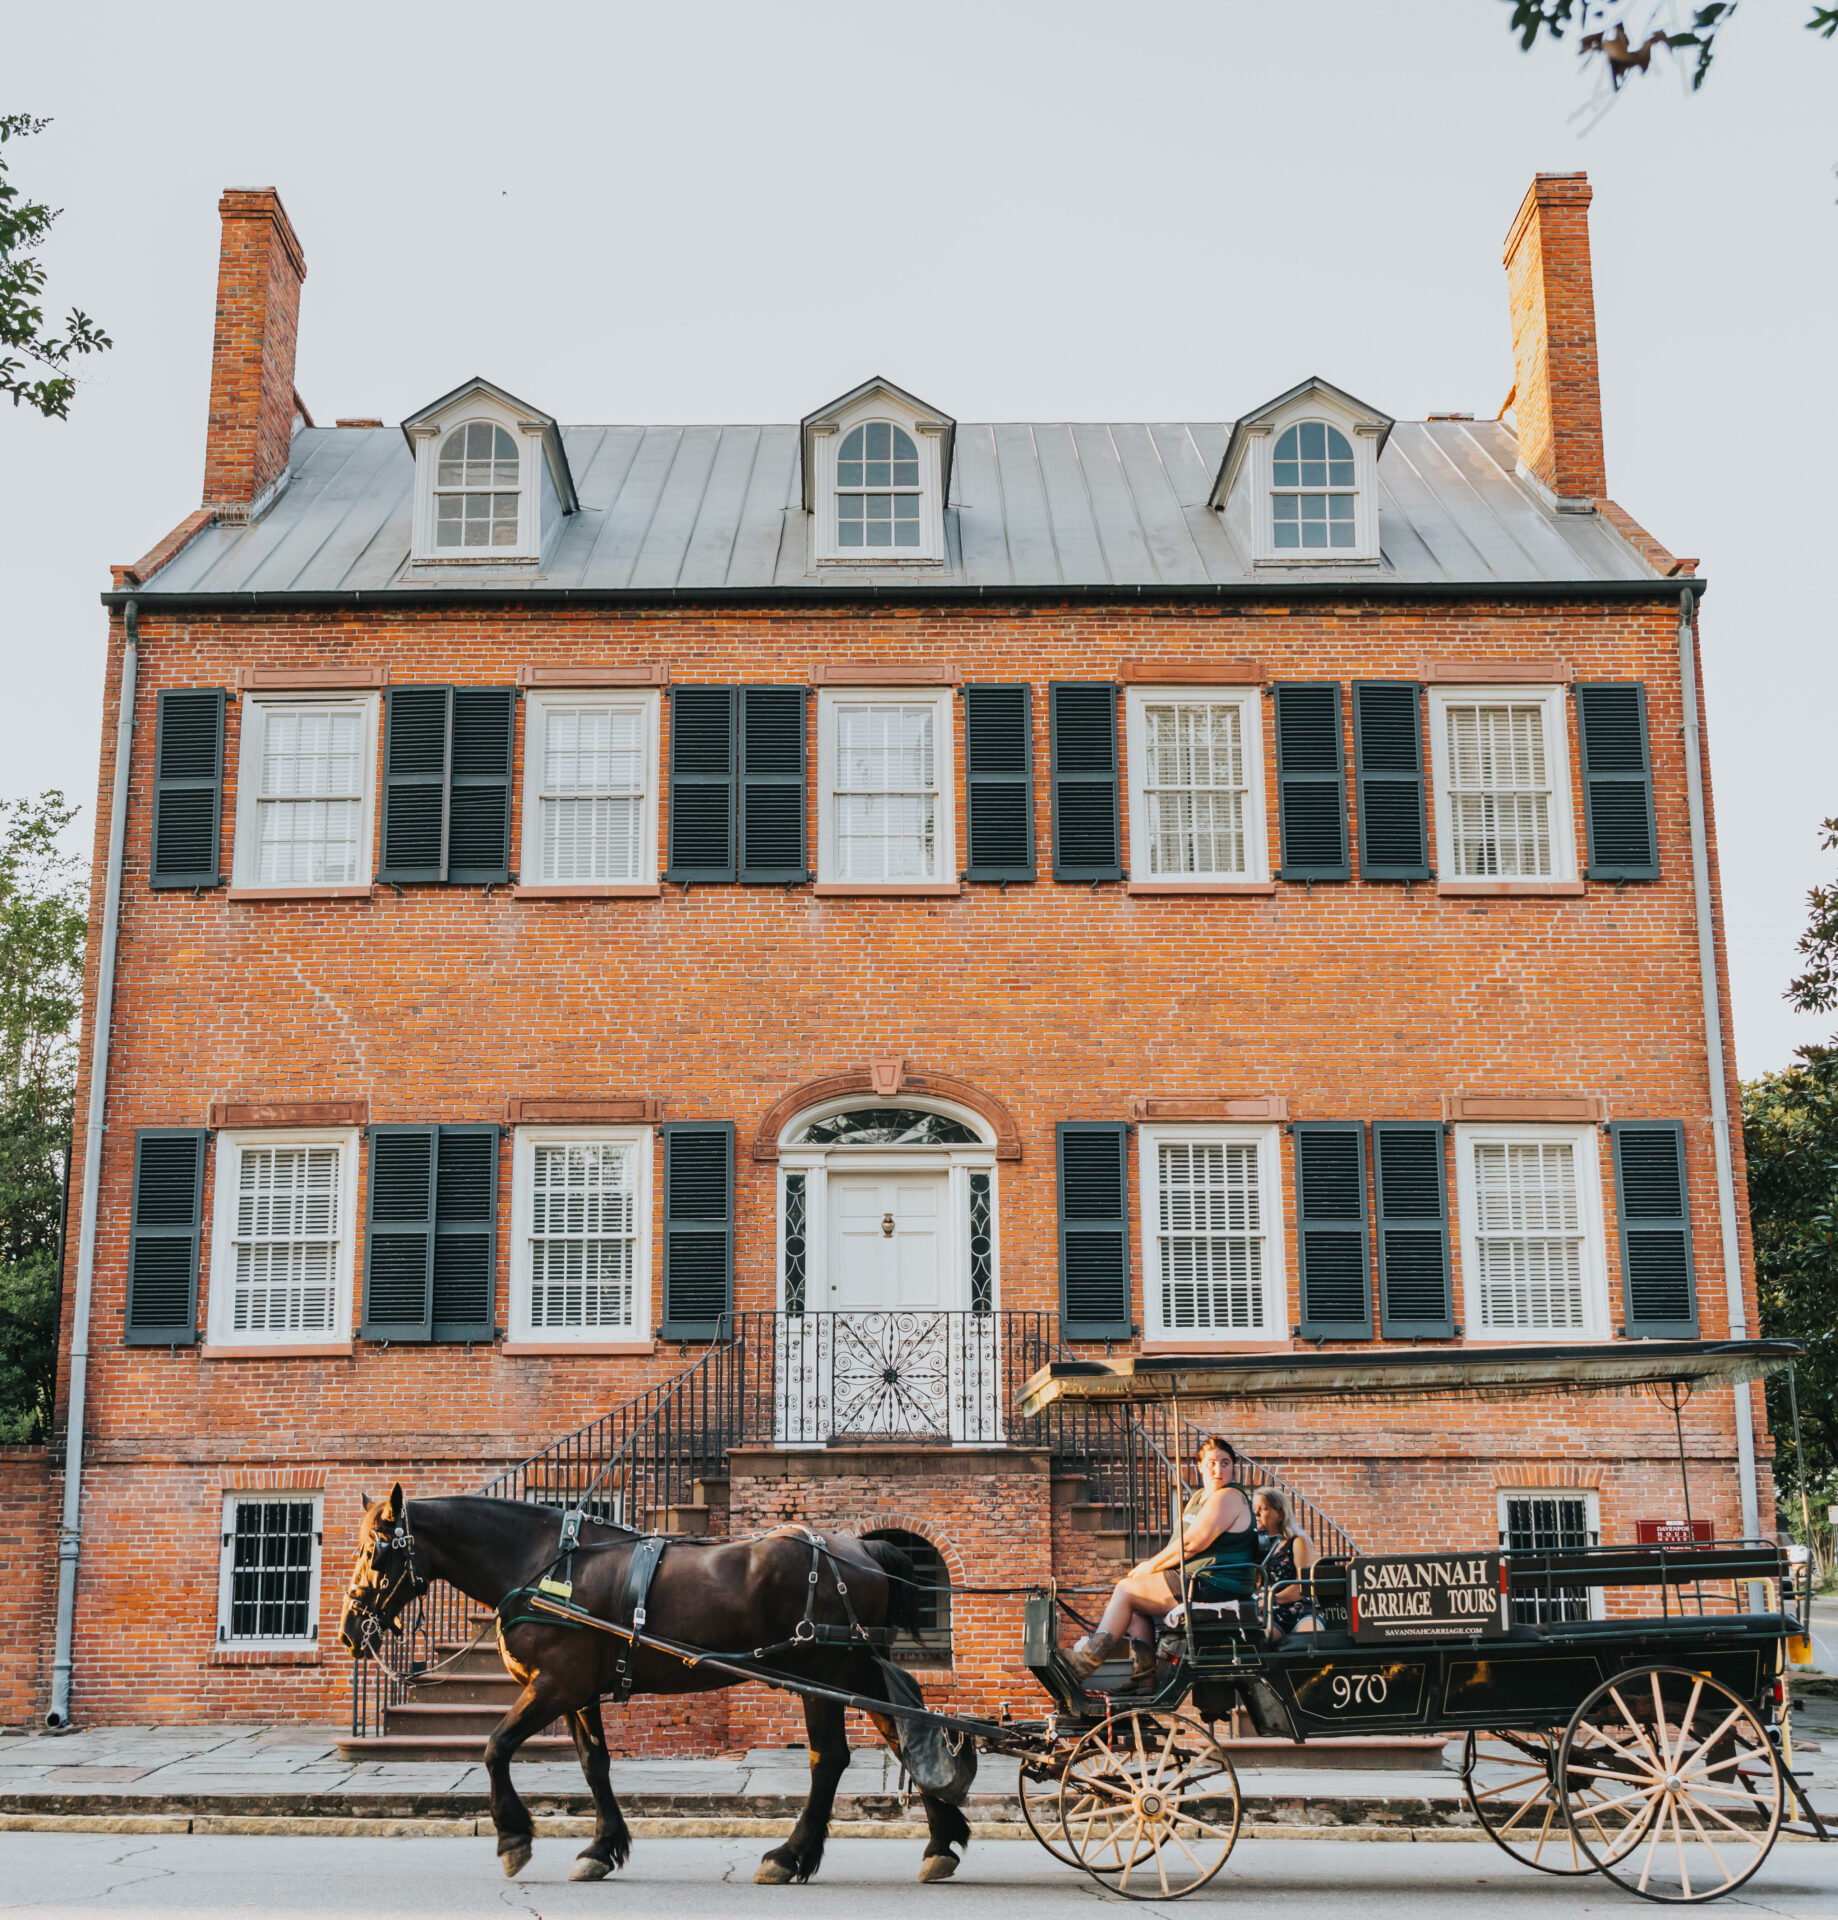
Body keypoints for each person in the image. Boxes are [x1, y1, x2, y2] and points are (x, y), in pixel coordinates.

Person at [1066, 1434, 1258, 1687]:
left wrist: (1149, 1567)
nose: (1218, 1469)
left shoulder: (1229, 1496)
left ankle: (1086, 1660)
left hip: (1216, 1582)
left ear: (1233, 1467)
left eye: (1225, 1462)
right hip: (1194, 1578)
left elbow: (1192, 1544)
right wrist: (1147, 1573)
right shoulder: (1199, 1499)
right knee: (1133, 1606)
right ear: (1199, 1467)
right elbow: (1178, 1544)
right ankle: (1145, 1678)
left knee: (1125, 1590)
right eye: (1211, 1462)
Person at [1253, 1487, 1321, 1642]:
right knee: (1256, 1636)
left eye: (1263, 1509)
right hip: (1267, 1612)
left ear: (1280, 1514)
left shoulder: (1297, 1542)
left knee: (1309, 1638)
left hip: (1300, 1608)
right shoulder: (1257, 1544)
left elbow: (1302, 1588)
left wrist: (1271, 1599)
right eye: (1254, 1509)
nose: (1256, 1514)